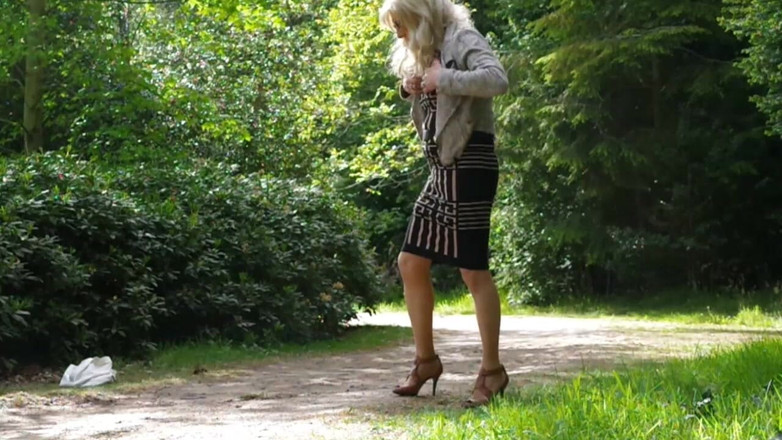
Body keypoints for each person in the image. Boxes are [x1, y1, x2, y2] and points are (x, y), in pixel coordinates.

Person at [378, 0, 510, 407]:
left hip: (471, 164)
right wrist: (411, 86)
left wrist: (443, 79)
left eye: (401, 24)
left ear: (421, 17)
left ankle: (492, 372)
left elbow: (497, 79)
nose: (398, 33)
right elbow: (431, 99)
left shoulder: (462, 38)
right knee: (411, 262)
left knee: (473, 270)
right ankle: (426, 362)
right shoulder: (426, 48)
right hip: (441, 169)